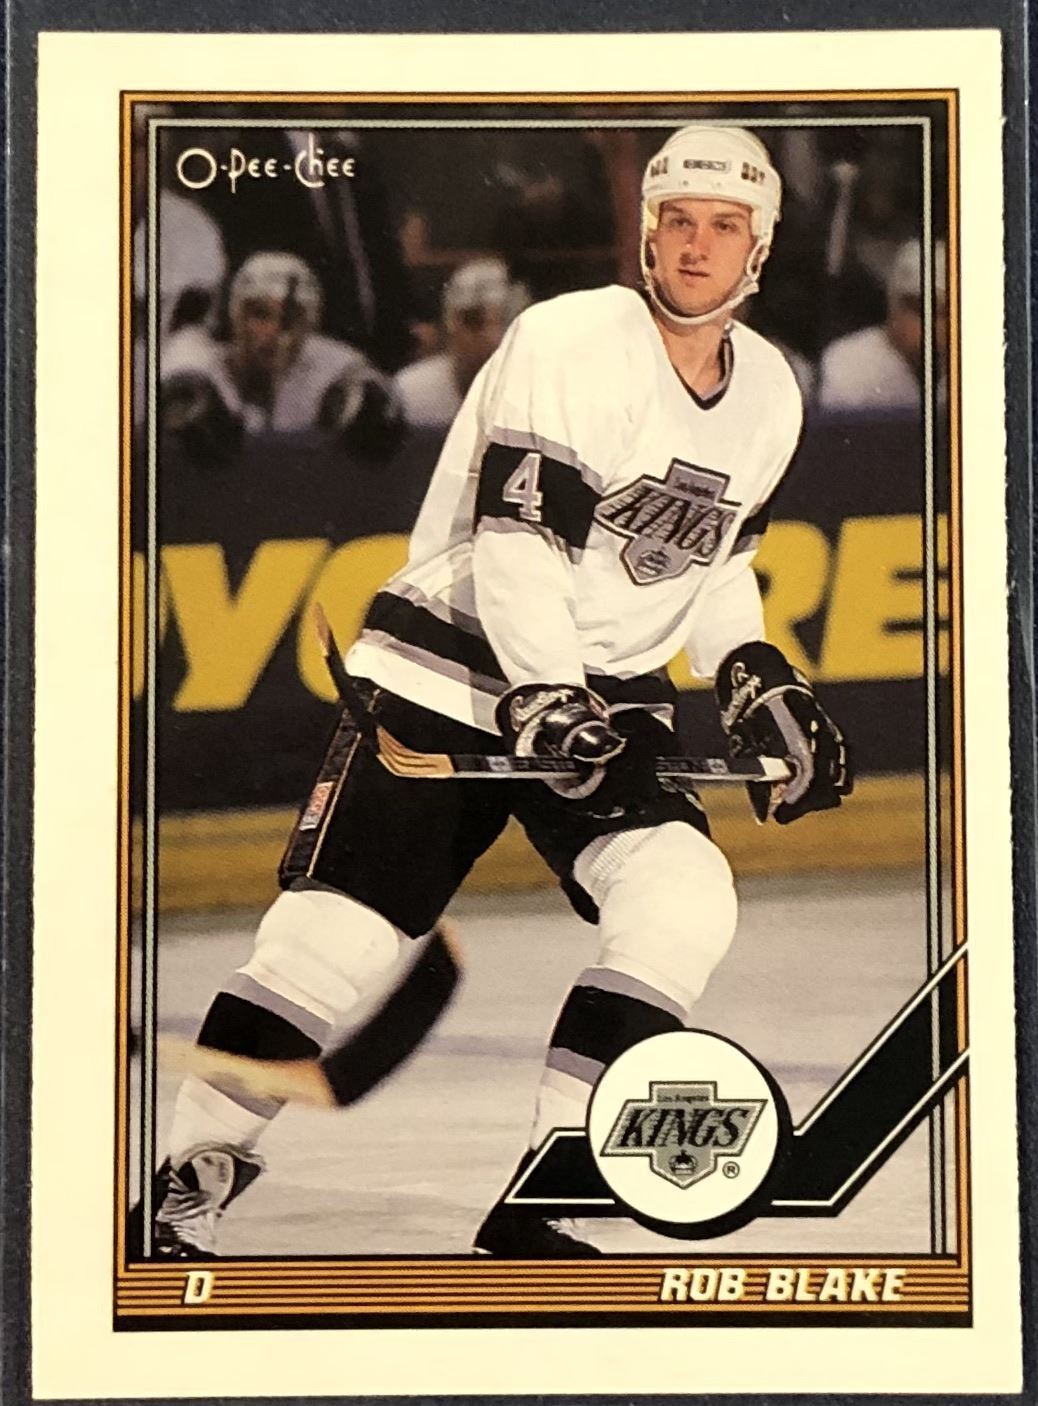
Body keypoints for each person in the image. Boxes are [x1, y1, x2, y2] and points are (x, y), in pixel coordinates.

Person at [146, 125, 852, 1260]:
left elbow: (716, 563)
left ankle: (546, 1197)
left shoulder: (769, 389)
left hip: (603, 691)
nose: (696, 244)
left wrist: (753, 670)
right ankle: (186, 1179)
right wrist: (547, 699)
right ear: (647, 232)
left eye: (725, 226)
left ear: (759, 249)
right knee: (331, 941)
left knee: (682, 898)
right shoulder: (570, 336)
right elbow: (520, 544)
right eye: (677, 220)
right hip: (452, 665)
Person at [160, 250, 403, 461]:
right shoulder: (198, 365)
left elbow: (378, 399)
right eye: (261, 315)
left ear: (309, 327)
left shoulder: (332, 367)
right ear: (236, 317)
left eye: (291, 318)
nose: (274, 331)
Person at [393, 258, 530, 430]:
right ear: (451, 325)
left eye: (506, 323)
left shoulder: (537, 397)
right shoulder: (412, 392)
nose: (491, 337)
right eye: (474, 322)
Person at [816, 239, 948, 411]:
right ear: (893, 306)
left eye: (943, 313)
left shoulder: (966, 362)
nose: (933, 324)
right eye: (919, 309)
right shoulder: (847, 362)